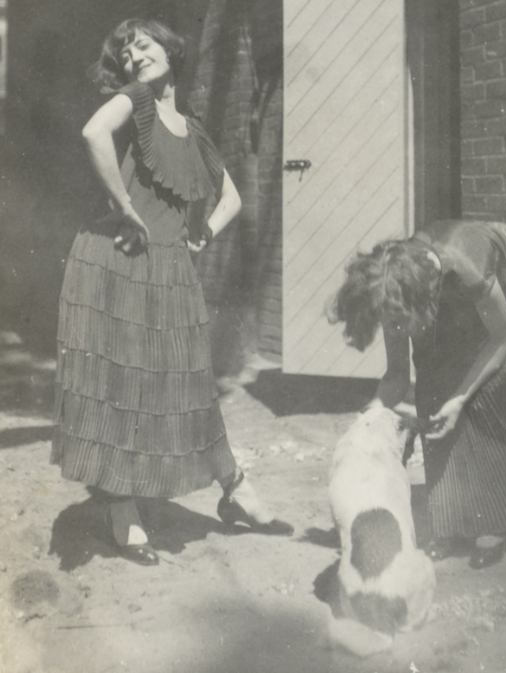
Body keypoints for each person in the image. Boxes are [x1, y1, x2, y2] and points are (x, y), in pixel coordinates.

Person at [51, 19, 293, 566]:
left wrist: (203, 233)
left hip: (170, 270)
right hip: (119, 262)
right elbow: (93, 133)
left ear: (170, 49)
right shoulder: (135, 99)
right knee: (123, 387)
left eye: (144, 45)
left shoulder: (193, 128)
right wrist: (127, 209)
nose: (135, 57)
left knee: (189, 386)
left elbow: (229, 196)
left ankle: (235, 487)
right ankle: (121, 506)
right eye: (126, 53)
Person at [328, 219, 506, 569]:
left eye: (396, 320)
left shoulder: (468, 265)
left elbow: (501, 339)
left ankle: (498, 521)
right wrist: (368, 422)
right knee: (432, 393)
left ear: (417, 300)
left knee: (493, 391)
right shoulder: (397, 289)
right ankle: (452, 521)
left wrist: (460, 398)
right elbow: (397, 377)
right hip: (455, 293)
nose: (393, 328)